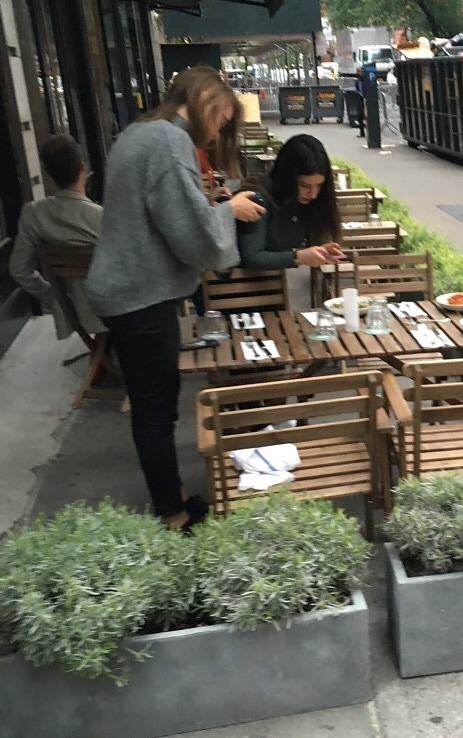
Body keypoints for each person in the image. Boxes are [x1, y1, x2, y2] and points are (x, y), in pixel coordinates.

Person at [87, 67, 265, 532]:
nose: (220, 129)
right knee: (156, 408)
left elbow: (168, 216)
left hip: (129, 290)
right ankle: (173, 515)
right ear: (207, 101)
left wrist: (213, 206)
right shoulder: (168, 142)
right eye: (223, 117)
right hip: (138, 294)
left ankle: (175, 495)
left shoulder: (138, 133)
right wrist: (231, 208)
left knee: (155, 405)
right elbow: (194, 236)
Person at [10, 134, 104, 339]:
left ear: (47, 172)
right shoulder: (103, 218)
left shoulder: (33, 214)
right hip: (115, 311)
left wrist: (55, 298)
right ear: (82, 166)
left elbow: (19, 269)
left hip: (72, 311)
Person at [238, 134, 345, 271]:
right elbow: (252, 257)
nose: (313, 194)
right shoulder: (257, 199)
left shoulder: (307, 202)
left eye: (319, 186)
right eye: (305, 186)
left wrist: (321, 252)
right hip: (242, 286)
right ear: (287, 179)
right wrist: (299, 256)